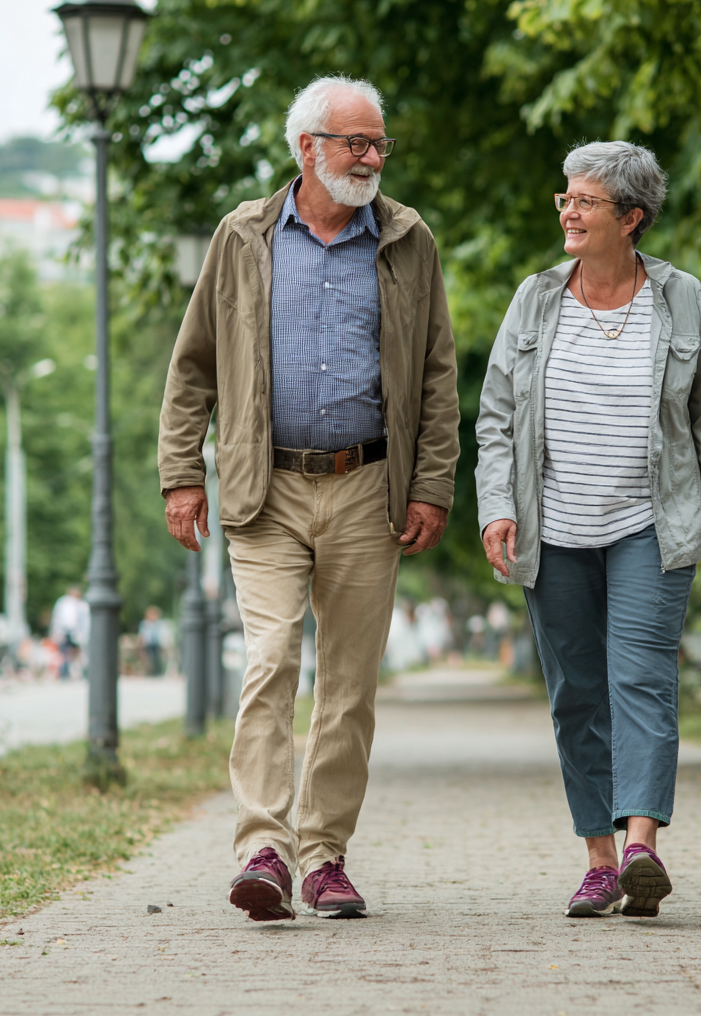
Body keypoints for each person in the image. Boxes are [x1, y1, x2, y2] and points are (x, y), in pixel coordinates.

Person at [158, 75, 459, 922]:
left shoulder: (407, 239)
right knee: (270, 662)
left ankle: (324, 856)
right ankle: (264, 846)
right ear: (306, 148)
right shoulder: (244, 236)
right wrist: (183, 472)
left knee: (350, 685)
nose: (370, 157)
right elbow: (193, 368)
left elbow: (439, 375)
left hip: (369, 487)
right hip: (266, 488)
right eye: (354, 142)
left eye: (378, 143)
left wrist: (432, 482)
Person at [475, 141, 701, 919]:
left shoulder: (681, 299)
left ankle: (641, 848)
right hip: (551, 529)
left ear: (631, 219)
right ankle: (598, 858)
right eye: (565, 197)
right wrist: (499, 505)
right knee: (576, 694)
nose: (567, 210)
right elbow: (496, 419)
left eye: (584, 201)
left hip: (650, 527)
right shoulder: (534, 299)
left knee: (642, 683)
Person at [49, 585, 89, 681]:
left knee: (70, 653)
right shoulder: (69, 603)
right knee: (69, 653)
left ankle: (70, 673)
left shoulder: (68, 603)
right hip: (69, 632)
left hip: (72, 633)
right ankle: (67, 673)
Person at [138, 605, 165, 677]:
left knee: (157, 658)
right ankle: (149, 672)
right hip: (148, 644)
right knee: (148, 658)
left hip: (156, 644)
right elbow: (142, 634)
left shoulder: (158, 624)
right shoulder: (145, 623)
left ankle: (158, 672)